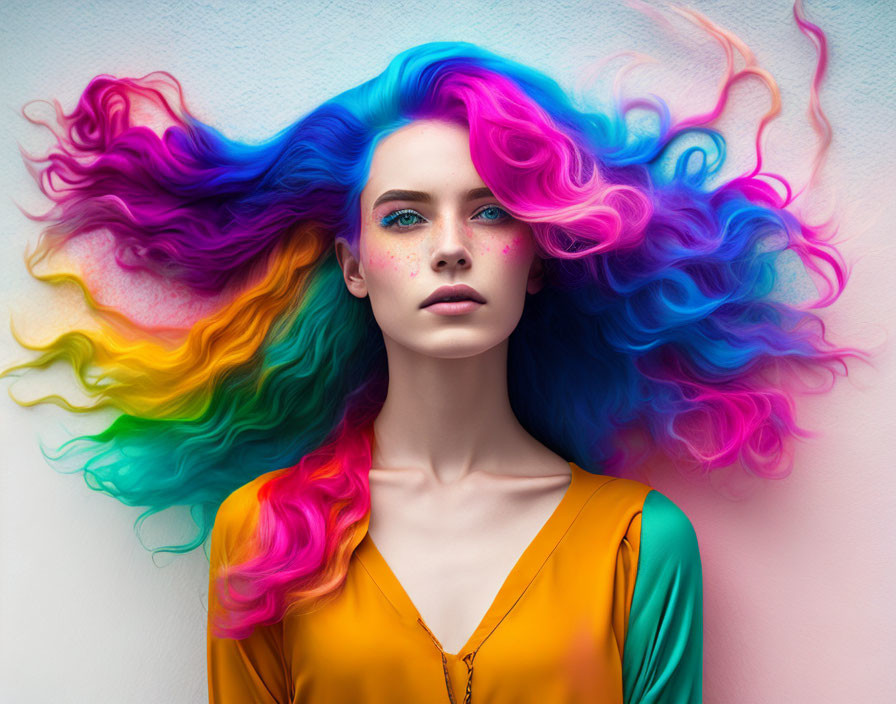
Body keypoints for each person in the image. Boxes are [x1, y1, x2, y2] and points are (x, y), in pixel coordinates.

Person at [1, 2, 863, 702]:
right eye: (406, 217)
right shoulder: (263, 533)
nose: (450, 247)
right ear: (353, 267)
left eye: (490, 212)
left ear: (536, 258)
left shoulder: (640, 546)